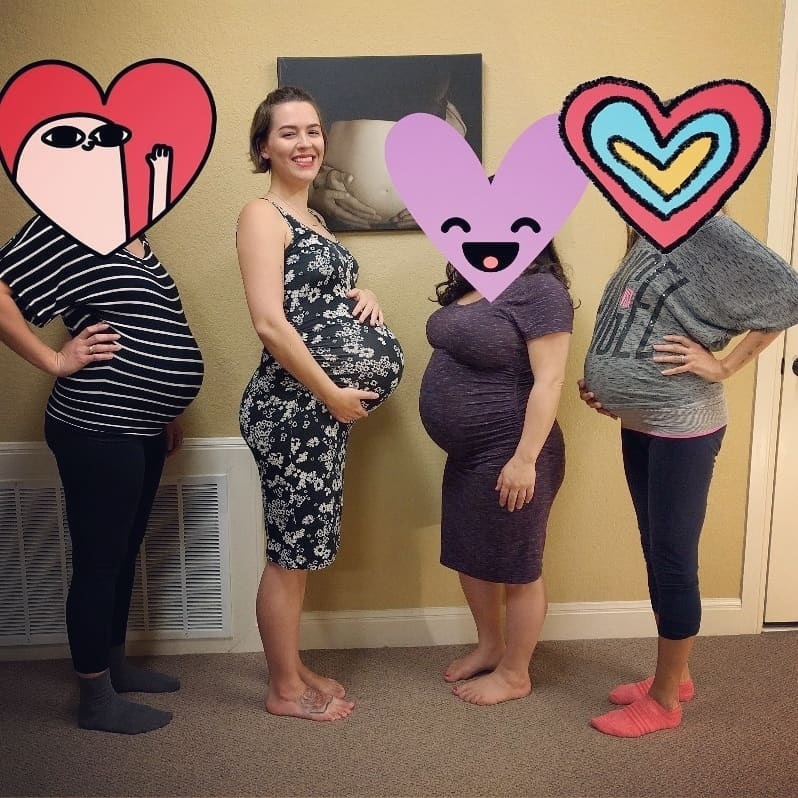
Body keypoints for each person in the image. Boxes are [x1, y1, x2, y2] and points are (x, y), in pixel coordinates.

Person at [578, 213, 798, 737]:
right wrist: (607, 385)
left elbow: (787, 294)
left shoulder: (702, 222)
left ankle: (663, 703)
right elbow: (638, 321)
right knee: (656, 550)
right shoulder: (645, 227)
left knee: (674, 559)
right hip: (640, 422)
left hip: (683, 422)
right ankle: (675, 677)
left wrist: (724, 366)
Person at [236, 86, 403, 722]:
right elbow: (270, 322)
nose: (305, 143)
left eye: (312, 131)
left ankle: (293, 665)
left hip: (317, 413)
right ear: (263, 148)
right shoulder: (262, 215)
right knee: (288, 554)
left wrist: (363, 294)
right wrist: (331, 392)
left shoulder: (313, 220)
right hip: (292, 409)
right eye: (288, 133)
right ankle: (283, 689)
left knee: (301, 549)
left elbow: (313, 299)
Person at [0, 220, 203, 734]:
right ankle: (94, 700)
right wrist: (54, 358)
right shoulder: (63, 225)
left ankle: (113, 667)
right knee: (99, 563)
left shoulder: (134, 232)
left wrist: (163, 410)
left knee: (123, 553)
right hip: (97, 425)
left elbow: (144, 325)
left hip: (140, 426)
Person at [418, 244, 573, 705]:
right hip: (468, 455)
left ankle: (514, 673)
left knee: (517, 566)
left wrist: (524, 460)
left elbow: (550, 379)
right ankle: (490, 646)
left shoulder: (541, 290)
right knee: (470, 553)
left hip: (513, 449)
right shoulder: (473, 285)